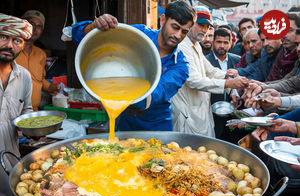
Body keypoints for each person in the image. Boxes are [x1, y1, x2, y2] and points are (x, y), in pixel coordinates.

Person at [72, 0, 195, 131]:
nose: (178, 35)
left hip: (156, 127)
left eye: (184, 32)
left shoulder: (181, 66)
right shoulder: (139, 35)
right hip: (123, 123)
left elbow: (156, 94)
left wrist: (115, 90)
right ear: (163, 20)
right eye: (175, 27)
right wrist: (94, 26)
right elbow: (76, 34)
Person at [171, 6, 248, 137]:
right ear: (190, 23)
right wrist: (229, 84)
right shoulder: (182, 47)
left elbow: (210, 70)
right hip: (188, 115)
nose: (204, 30)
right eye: (200, 25)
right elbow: (193, 81)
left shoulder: (195, 44)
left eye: (207, 26)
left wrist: (228, 75)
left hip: (201, 113)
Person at [0, 13, 33, 165]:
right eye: (3, 37)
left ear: (23, 45)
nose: (9, 46)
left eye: (17, 41)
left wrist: (33, 129)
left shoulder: (24, 77)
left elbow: (26, 112)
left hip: (10, 159)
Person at [16, 10, 59, 111]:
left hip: (33, 110)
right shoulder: (11, 49)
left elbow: (39, 80)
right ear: (23, 25)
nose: (35, 29)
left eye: (39, 27)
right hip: (11, 111)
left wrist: (51, 87)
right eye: (32, 24)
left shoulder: (41, 54)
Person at [265, 12, 300, 82]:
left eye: (289, 30)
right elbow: (272, 77)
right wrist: (261, 86)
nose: (284, 35)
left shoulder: (298, 55)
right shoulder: (282, 52)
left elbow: (290, 84)